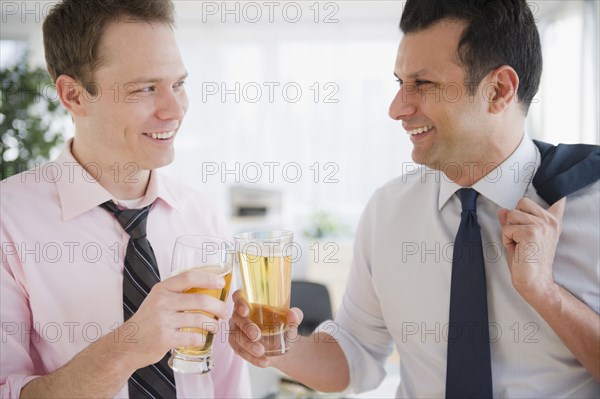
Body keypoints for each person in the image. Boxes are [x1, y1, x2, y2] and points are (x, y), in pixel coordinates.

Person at [228, 0, 600, 397]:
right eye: (399, 83)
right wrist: (276, 346)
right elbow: (355, 356)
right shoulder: (388, 211)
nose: (397, 108)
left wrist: (546, 293)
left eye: (423, 84)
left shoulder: (590, 206)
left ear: (498, 90)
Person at [0, 0, 250, 398]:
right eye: (145, 89)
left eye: (179, 84)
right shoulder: (7, 220)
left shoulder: (201, 215)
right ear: (74, 95)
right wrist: (129, 347)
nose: (175, 110)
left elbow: (225, 384)